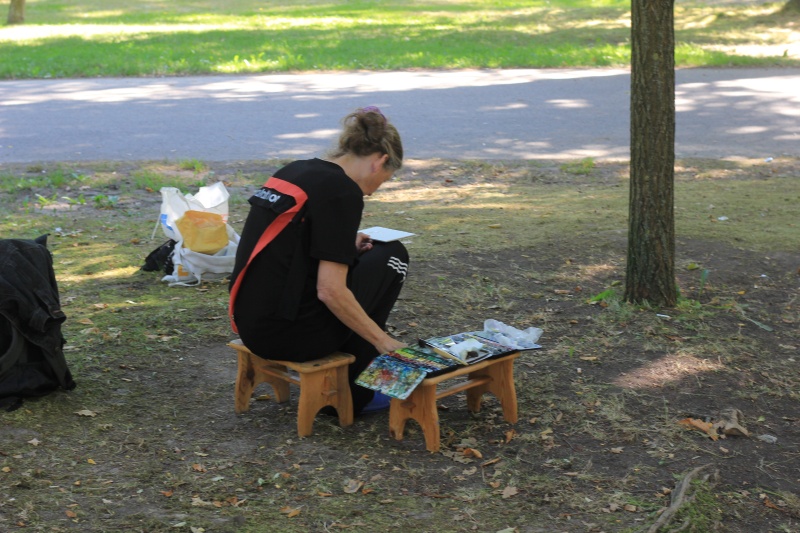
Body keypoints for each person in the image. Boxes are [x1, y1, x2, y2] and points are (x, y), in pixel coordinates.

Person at [228, 106, 408, 415]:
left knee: (371, 255)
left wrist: (342, 242)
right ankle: (353, 392)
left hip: (252, 323)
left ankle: (351, 379)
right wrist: (383, 341)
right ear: (379, 162)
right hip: (292, 337)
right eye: (385, 179)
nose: (376, 191)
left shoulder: (297, 170)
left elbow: (286, 245)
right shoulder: (343, 192)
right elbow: (330, 291)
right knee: (393, 256)